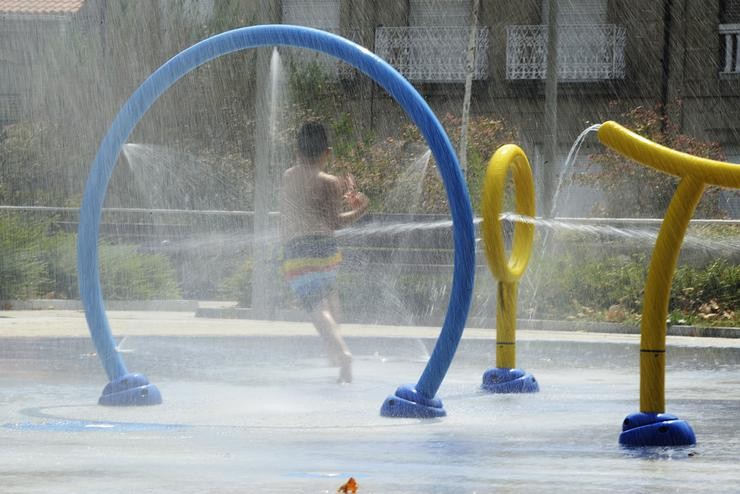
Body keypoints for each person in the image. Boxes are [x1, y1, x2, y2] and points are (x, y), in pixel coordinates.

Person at [279, 121, 370, 383]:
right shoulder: (331, 182)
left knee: (316, 307)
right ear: (327, 153)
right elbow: (336, 222)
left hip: (299, 250)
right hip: (328, 252)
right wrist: (362, 206)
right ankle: (334, 352)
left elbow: (287, 218)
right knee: (330, 298)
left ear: (297, 151)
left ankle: (342, 353)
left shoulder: (289, 176)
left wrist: (285, 254)